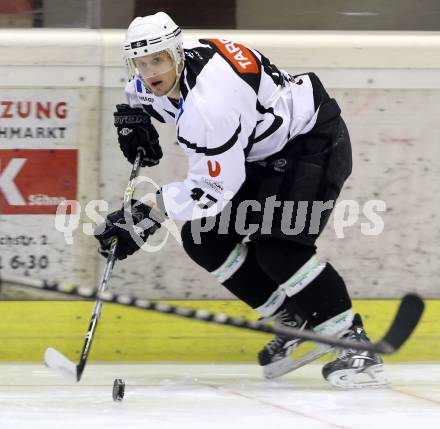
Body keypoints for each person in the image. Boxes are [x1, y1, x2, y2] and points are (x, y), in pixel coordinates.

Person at [94, 12, 388, 389]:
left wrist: (146, 215)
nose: (149, 70)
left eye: (159, 59)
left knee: (279, 249)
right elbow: (140, 94)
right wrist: (133, 117)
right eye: (141, 61)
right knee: (204, 238)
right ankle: (292, 320)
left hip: (311, 143)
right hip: (262, 152)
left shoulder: (209, 105)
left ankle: (353, 341)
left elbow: (213, 190)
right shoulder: (162, 72)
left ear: (177, 54)